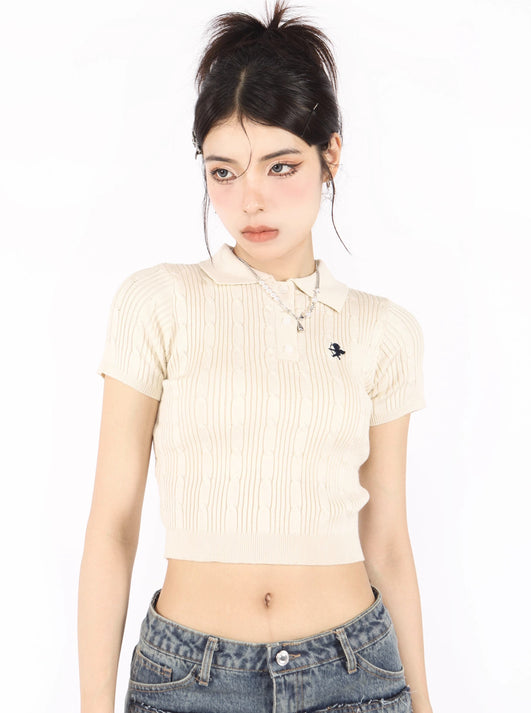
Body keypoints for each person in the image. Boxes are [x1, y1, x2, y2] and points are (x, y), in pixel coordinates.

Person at [77, 2, 433, 712]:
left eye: (280, 166)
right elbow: (113, 525)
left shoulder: (382, 330)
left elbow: (388, 539)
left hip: (353, 676)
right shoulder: (159, 303)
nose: (251, 199)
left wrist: (423, 703)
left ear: (331, 155)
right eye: (224, 172)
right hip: (188, 681)